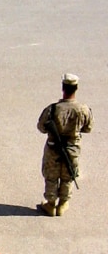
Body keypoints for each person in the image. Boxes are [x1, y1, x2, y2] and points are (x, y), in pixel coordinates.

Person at [37, 73, 93, 216]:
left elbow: (41, 127)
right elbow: (88, 128)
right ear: (76, 88)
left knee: (51, 176)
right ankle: (63, 204)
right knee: (68, 175)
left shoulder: (53, 109)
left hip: (53, 148)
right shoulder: (83, 109)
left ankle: (50, 204)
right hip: (72, 149)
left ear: (63, 88)